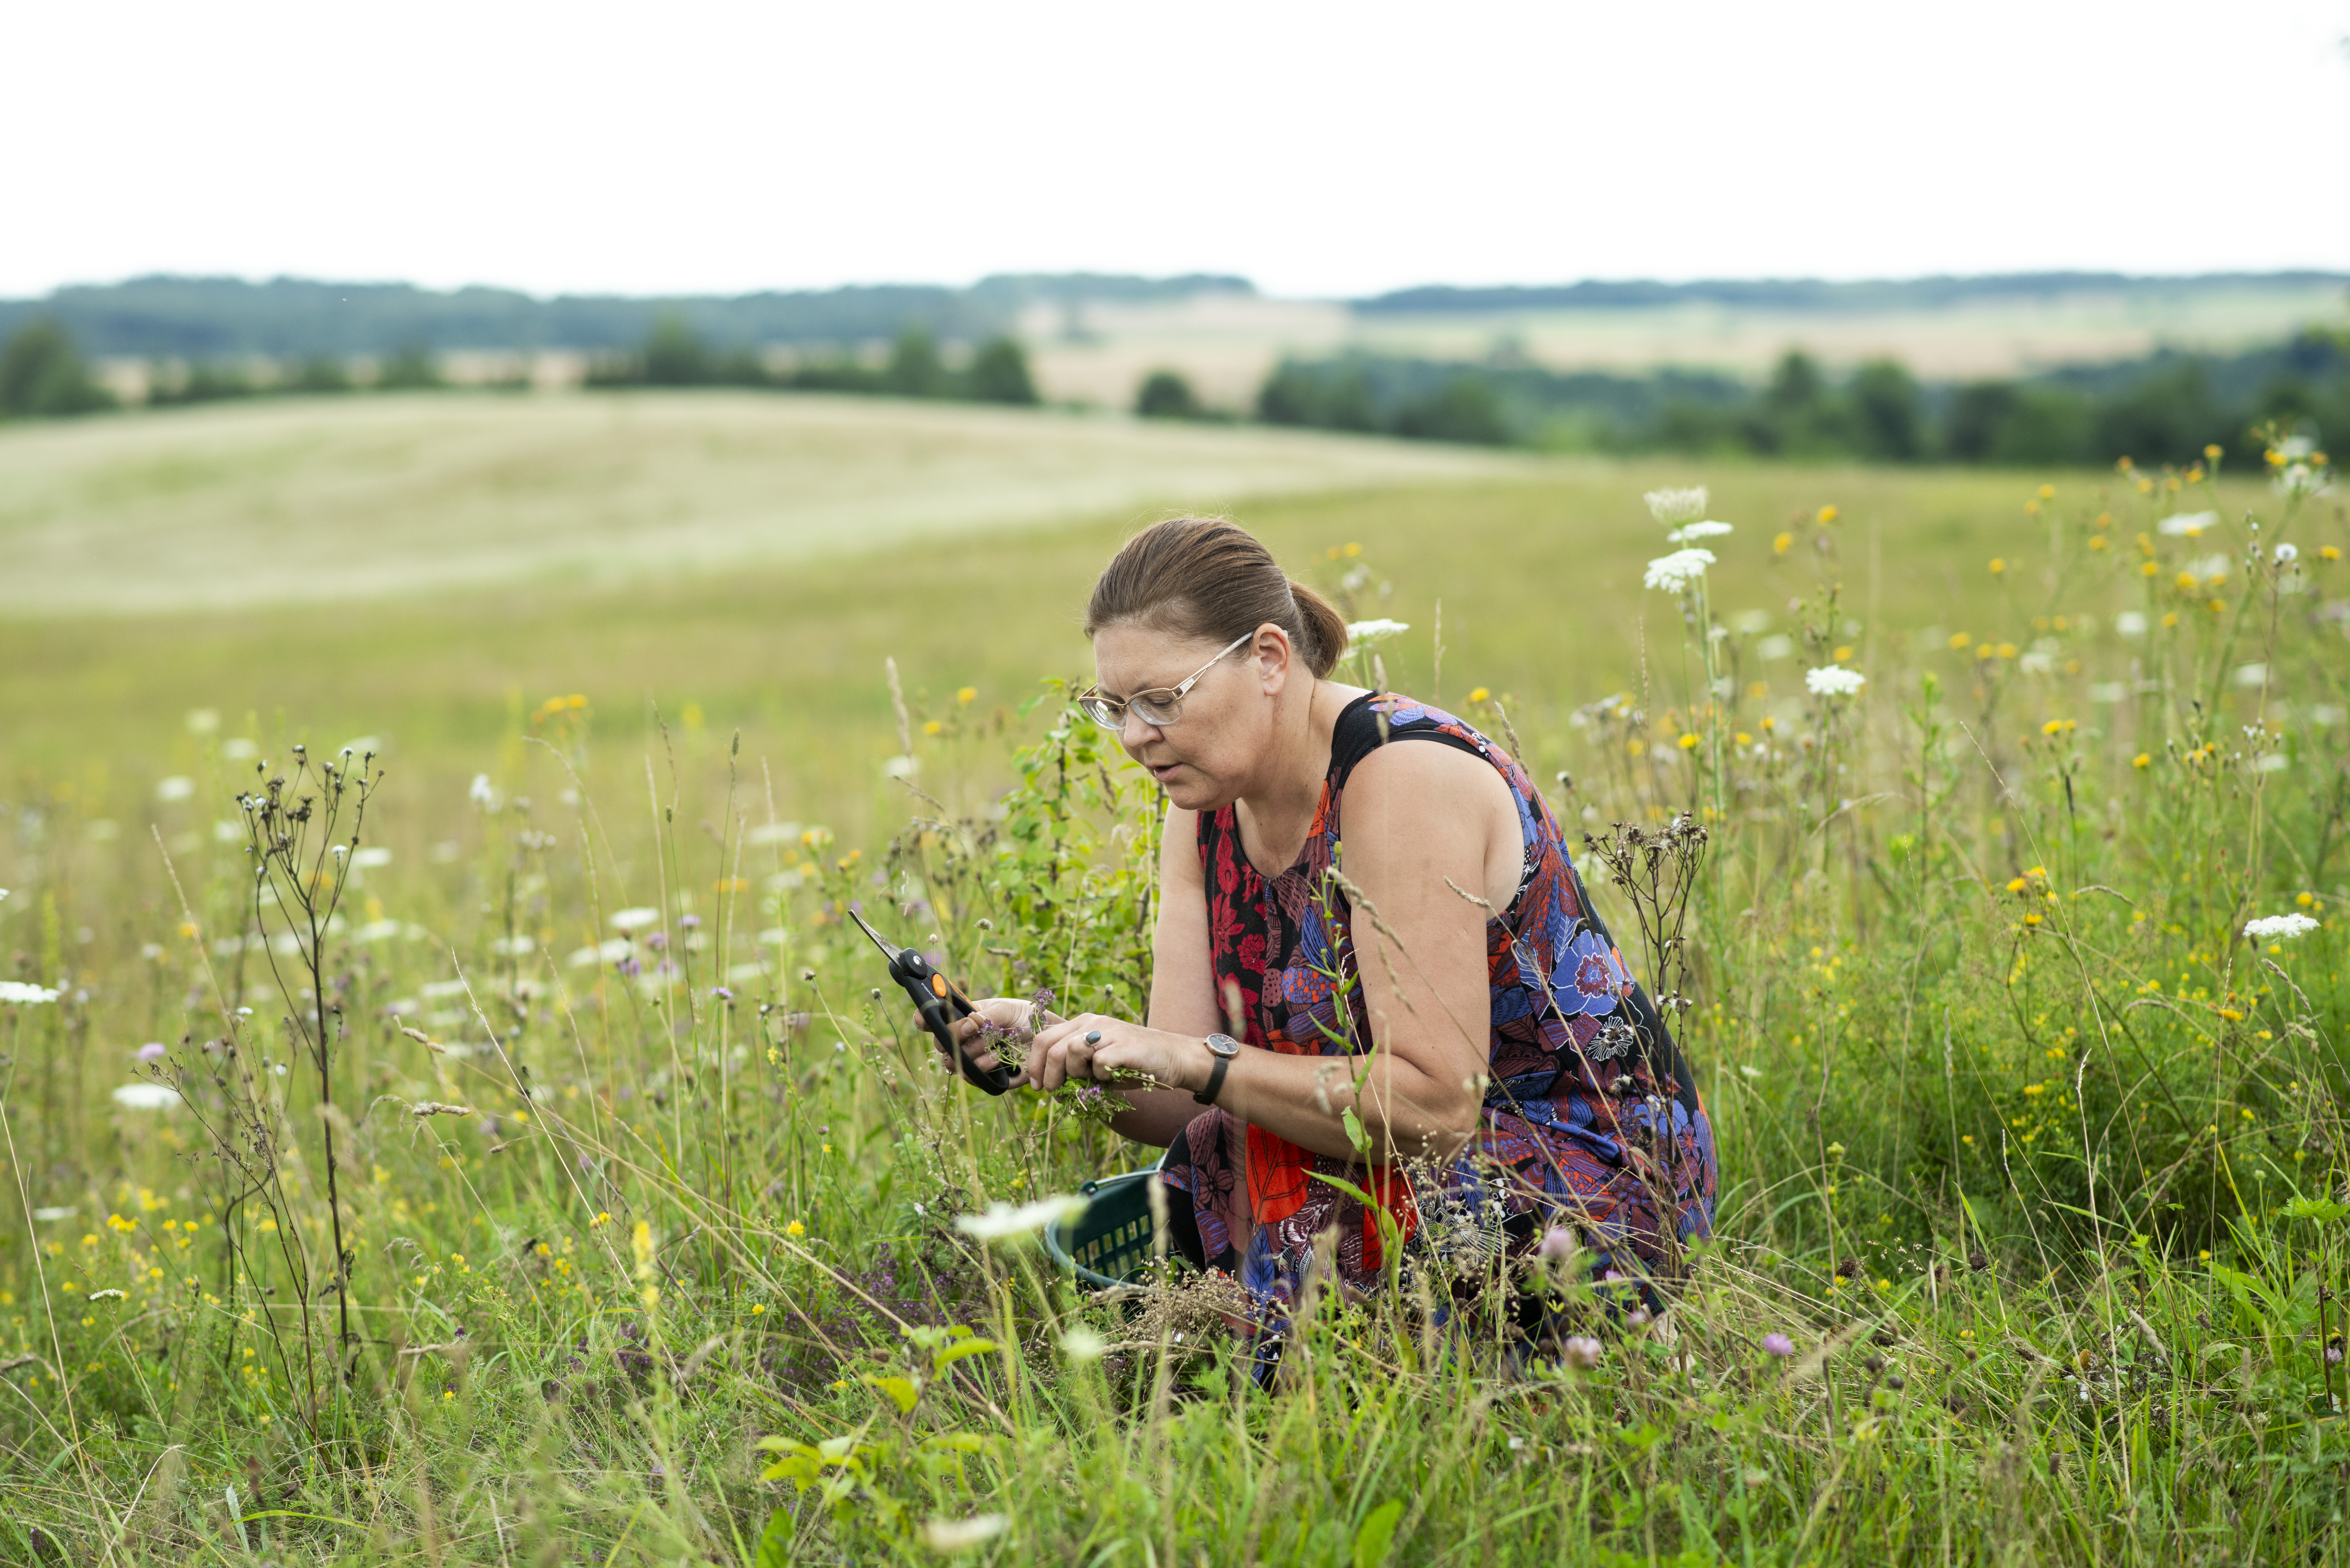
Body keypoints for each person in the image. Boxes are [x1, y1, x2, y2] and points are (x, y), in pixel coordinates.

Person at [950, 516, 1716, 1340]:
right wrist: (1061, 1047)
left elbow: (1435, 1107)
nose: (1135, 737)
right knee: (1200, 1165)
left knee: (1307, 1243)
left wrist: (1190, 1060)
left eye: (1161, 700)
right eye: (1115, 707)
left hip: (1564, 1163)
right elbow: (1181, 1102)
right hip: (1385, 1153)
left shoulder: (1400, 779)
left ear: (1270, 659)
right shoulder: (1204, 804)